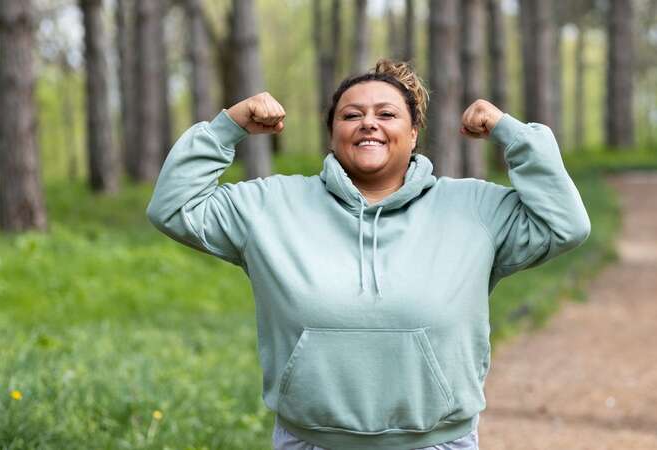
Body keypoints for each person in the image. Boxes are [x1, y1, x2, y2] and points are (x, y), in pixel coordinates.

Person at [146, 59, 590, 450]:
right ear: (333, 133)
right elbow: (174, 207)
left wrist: (512, 134)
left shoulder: (475, 207)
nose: (368, 123)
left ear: (413, 133)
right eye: (351, 115)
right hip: (312, 441)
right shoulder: (270, 205)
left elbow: (565, 224)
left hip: (436, 443)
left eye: (387, 114)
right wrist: (229, 126)